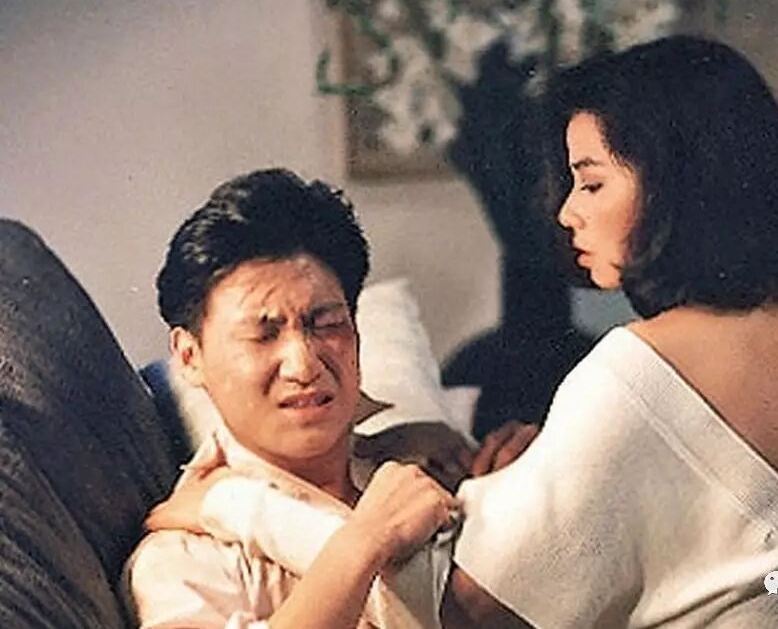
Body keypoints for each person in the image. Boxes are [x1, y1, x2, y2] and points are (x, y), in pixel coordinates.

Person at [147, 36, 778, 627]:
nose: (567, 212)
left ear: (674, 182)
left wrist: (238, 506)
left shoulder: (636, 371)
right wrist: (522, 481)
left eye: (591, 182)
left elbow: (455, 607)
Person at [124, 169, 538, 629]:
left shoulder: (427, 461)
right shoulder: (184, 558)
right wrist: (364, 543)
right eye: (263, 335)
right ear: (189, 356)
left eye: (326, 324)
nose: (304, 366)